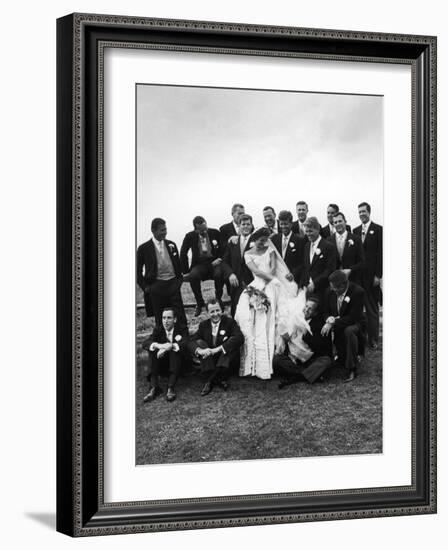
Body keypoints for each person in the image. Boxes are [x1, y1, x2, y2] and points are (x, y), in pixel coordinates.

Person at [235, 227, 313, 380]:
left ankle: (275, 358)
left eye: (265, 240)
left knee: (273, 316)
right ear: (254, 239)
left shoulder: (269, 248)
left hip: (273, 282)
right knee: (248, 316)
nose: (263, 243)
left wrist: (271, 279)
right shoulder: (248, 254)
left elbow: (273, 266)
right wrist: (265, 281)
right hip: (258, 283)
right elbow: (256, 271)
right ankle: (254, 362)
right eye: (260, 241)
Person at [136, 217, 186, 327]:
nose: (165, 232)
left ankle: (183, 339)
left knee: (180, 316)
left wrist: (179, 281)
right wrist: (146, 287)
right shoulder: (143, 248)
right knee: (161, 319)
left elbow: (178, 266)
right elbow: (137, 272)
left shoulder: (171, 245)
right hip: (156, 286)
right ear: (153, 231)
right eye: (162, 230)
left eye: (165, 229)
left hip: (173, 284)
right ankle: (162, 341)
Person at [274, 296, 333, 386]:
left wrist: (304, 334)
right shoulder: (296, 319)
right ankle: (308, 374)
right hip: (294, 358)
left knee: (326, 361)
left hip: (309, 358)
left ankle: (297, 376)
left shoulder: (318, 324)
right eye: (306, 306)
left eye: (310, 309)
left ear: (315, 312)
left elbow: (318, 348)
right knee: (276, 360)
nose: (306, 310)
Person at [189, 299, 244, 395]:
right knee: (200, 343)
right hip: (210, 360)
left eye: (217, 310)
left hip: (225, 359)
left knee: (229, 345)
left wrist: (217, 349)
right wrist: (200, 351)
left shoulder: (229, 322)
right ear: (207, 313)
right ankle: (220, 379)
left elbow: (239, 338)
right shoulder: (203, 325)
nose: (215, 314)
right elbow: (191, 341)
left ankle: (209, 381)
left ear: (222, 310)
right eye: (212, 311)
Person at [322, 270, 366, 382]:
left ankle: (352, 368)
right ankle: (329, 359)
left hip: (355, 324)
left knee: (349, 331)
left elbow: (353, 317)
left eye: (335, 288)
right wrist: (328, 319)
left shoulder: (357, 292)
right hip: (337, 322)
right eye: (332, 288)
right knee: (322, 327)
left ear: (344, 285)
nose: (333, 290)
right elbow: (325, 311)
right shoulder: (329, 291)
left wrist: (333, 323)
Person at [141, 307, 189, 402]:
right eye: (164, 318)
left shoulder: (182, 329)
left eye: (169, 318)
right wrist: (160, 346)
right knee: (153, 349)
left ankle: (170, 387)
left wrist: (170, 346)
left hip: (179, 365)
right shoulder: (159, 329)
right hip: (163, 365)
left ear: (174, 319)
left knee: (175, 350)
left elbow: (185, 343)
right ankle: (154, 387)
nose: (165, 321)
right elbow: (145, 343)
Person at [180, 216, 224, 316]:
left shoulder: (215, 232)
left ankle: (218, 300)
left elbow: (223, 248)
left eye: (205, 228)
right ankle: (199, 303)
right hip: (200, 264)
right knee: (193, 276)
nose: (204, 231)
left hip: (214, 263)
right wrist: (185, 271)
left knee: (219, 274)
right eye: (201, 230)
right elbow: (183, 253)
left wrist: (219, 259)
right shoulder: (189, 236)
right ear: (196, 229)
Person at [353, 202, 383, 349]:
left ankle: (373, 339)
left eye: (363, 211)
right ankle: (361, 338)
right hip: (359, 277)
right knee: (358, 308)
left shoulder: (378, 230)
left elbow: (381, 254)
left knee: (372, 309)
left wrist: (378, 275)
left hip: (372, 276)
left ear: (369, 212)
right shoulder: (355, 230)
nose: (361, 214)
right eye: (359, 212)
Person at [221, 214, 255, 317]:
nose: (245, 226)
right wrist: (230, 274)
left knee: (252, 312)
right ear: (239, 226)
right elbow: (224, 262)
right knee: (236, 312)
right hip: (236, 284)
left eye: (248, 224)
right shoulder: (232, 242)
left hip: (252, 282)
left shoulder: (256, 241)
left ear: (251, 225)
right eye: (243, 224)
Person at [299, 217, 337, 298]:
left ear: (317, 230)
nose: (308, 234)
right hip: (308, 290)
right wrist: (301, 286)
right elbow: (305, 267)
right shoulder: (306, 246)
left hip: (323, 290)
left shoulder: (328, 246)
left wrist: (315, 283)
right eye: (307, 231)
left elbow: (330, 269)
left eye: (310, 231)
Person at [271, 210, 306, 285]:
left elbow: (302, 262)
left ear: (291, 224)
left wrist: (293, 274)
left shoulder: (299, 240)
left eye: (286, 224)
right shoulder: (274, 239)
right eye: (281, 224)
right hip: (278, 280)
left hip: (293, 280)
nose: (283, 226)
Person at [330, 211, 365, 284]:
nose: (338, 224)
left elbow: (362, 262)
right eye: (335, 222)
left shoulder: (356, 239)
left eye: (340, 221)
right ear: (333, 224)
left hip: (353, 280)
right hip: (335, 282)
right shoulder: (328, 241)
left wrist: (350, 270)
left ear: (345, 222)